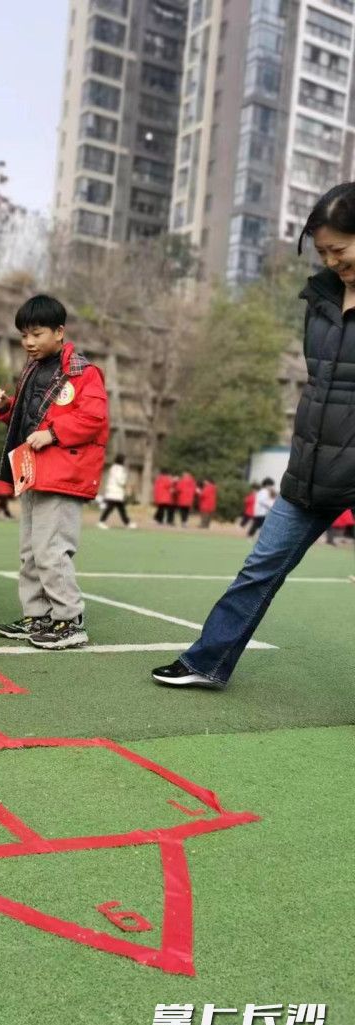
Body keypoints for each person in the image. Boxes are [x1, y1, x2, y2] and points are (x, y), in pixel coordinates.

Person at [153, 181, 355, 689]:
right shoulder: (321, 297)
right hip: (310, 465)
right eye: (323, 251)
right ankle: (206, 662)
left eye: (341, 249)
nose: (331, 260)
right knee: (259, 568)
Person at [0, 294, 109, 649]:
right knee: (30, 550)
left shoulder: (83, 373)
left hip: (64, 475)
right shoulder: (33, 370)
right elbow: (31, 421)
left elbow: (93, 417)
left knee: (51, 549)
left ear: (59, 332)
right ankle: (38, 614)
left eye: (36, 333)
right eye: (24, 335)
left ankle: (69, 619)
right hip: (34, 473)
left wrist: (54, 433)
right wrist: (7, 407)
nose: (28, 342)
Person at [97, 454, 136, 529]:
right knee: (114, 509)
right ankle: (101, 521)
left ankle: (127, 523)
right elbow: (120, 481)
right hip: (116, 493)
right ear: (122, 460)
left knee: (118, 509)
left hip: (113, 492)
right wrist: (127, 485)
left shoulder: (113, 468)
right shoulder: (119, 469)